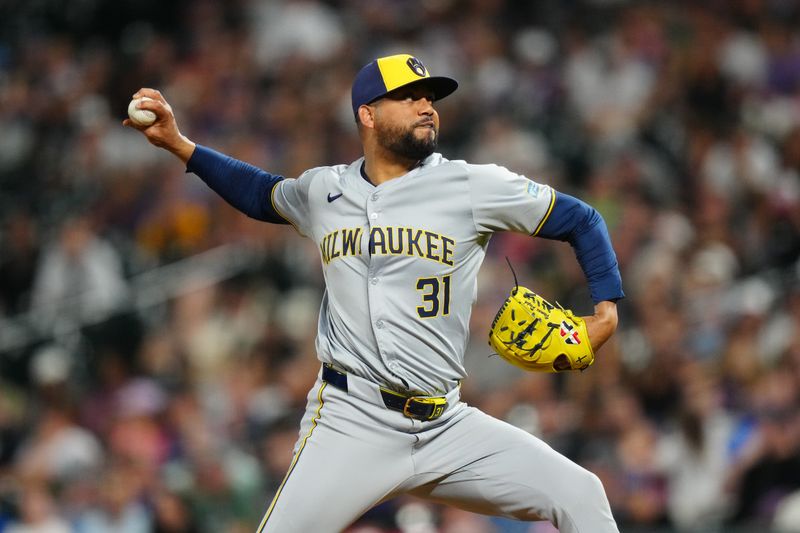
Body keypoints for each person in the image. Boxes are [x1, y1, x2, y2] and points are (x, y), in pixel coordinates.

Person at [125, 53, 623, 532]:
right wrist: (180, 145)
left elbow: (583, 219)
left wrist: (606, 311)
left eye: (430, 97)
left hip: (446, 423)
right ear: (367, 114)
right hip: (352, 420)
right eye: (408, 97)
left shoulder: (471, 185)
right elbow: (260, 193)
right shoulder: (324, 191)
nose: (427, 106)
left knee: (581, 494)